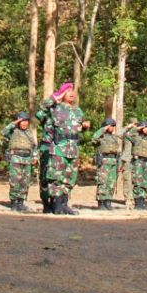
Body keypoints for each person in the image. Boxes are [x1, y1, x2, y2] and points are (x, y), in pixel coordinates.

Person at [38, 82, 89, 215]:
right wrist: (55, 97)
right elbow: (41, 110)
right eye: (68, 91)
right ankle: (55, 205)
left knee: (69, 177)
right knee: (56, 177)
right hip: (58, 148)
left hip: (73, 148)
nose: (72, 93)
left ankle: (64, 204)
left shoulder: (78, 111)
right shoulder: (55, 108)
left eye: (73, 91)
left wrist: (83, 127)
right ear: (62, 93)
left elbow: (76, 129)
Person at [2, 111, 37, 212]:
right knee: (15, 181)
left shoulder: (29, 133)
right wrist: (15, 122)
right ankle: (13, 202)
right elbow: (4, 132)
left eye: (26, 121)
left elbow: (34, 146)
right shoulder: (13, 131)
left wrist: (35, 157)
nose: (24, 123)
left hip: (27, 159)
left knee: (25, 182)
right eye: (22, 121)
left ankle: (21, 202)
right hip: (16, 157)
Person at [90, 117, 121, 210]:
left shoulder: (114, 138)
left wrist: (119, 165)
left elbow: (118, 152)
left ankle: (108, 201)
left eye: (113, 126)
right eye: (111, 126)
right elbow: (94, 138)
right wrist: (103, 129)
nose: (112, 128)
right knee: (103, 182)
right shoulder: (100, 136)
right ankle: (101, 203)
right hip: (104, 161)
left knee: (111, 183)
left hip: (113, 161)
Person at [123, 120, 147, 210]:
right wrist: (137, 128)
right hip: (138, 161)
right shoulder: (136, 137)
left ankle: (142, 201)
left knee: (145, 182)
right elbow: (127, 134)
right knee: (138, 182)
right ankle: (137, 203)